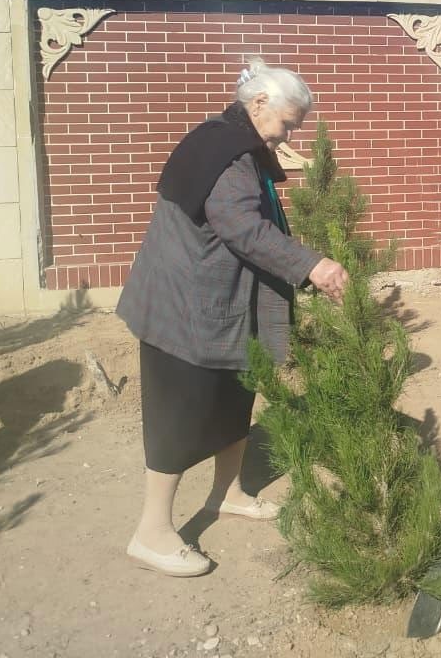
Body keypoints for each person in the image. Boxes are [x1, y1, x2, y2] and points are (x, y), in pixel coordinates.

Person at [117, 57, 349, 577]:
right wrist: (312, 265)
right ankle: (151, 532)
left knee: (234, 397)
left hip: (219, 302)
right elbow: (243, 227)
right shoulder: (227, 154)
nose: (288, 136)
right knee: (178, 416)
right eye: (287, 123)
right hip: (184, 308)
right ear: (259, 104)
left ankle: (228, 493)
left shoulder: (233, 141)